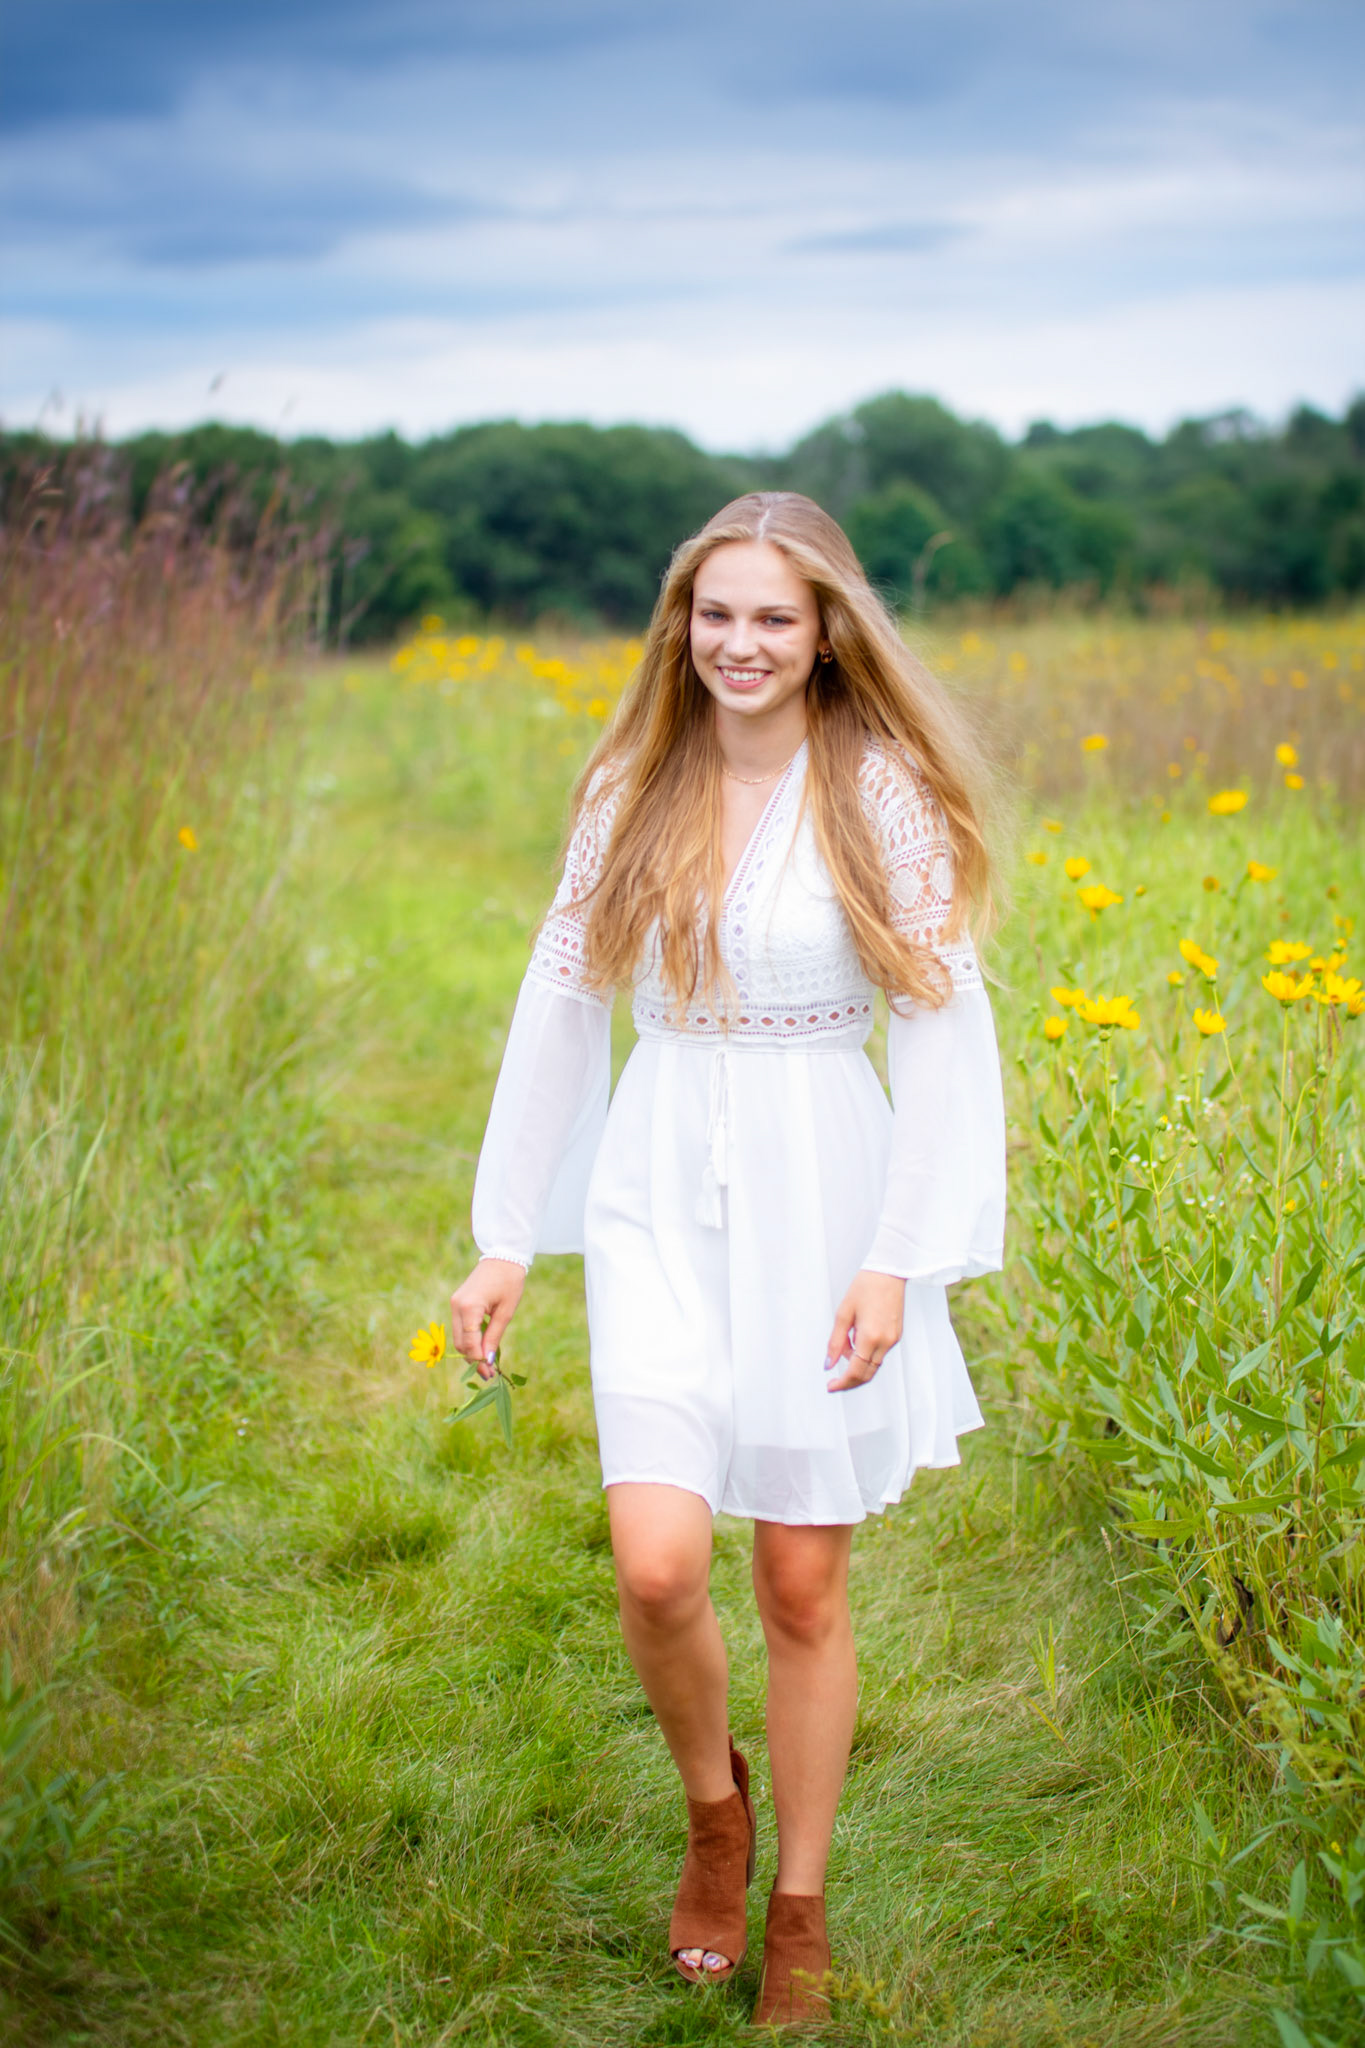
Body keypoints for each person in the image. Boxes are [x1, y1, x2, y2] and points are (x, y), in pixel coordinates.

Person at [450, 491, 1006, 2027]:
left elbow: (941, 1026)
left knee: (799, 1582)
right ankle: (714, 1805)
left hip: (825, 1185)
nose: (739, 643)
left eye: (773, 616)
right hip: (655, 1183)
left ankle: (799, 1904)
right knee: (656, 1565)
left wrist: (897, 1257)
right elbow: (560, 1001)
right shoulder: (631, 776)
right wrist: (505, 1236)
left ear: (826, 631)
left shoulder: (880, 790)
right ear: (679, 623)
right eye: (715, 614)